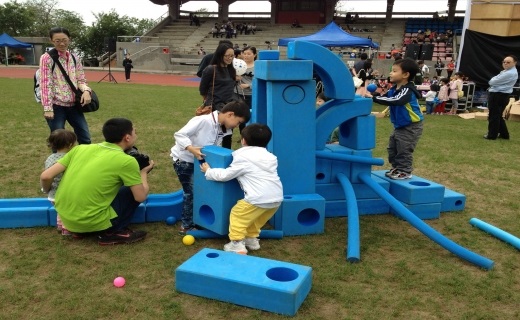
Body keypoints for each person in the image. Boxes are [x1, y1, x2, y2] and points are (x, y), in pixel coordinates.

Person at [40, 118, 155, 245]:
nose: (136, 135)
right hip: (90, 222)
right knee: (130, 190)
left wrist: (46, 190)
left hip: (66, 221)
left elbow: (46, 176)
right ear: (127, 137)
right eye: (135, 132)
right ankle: (112, 233)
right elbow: (140, 197)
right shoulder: (127, 161)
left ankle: (80, 230)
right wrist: (143, 173)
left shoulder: (80, 149)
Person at [171, 101, 251, 235]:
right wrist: (191, 148)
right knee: (191, 192)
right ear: (230, 114)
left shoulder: (223, 127)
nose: (237, 126)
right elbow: (179, 134)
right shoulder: (203, 121)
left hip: (199, 162)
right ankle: (186, 225)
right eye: (238, 122)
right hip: (185, 161)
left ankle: (198, 221)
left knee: (202, 191)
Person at [200, 123, 283, 254]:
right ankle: (251, 239)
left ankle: (237, 244)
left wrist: (209, 171)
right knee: (255, 219)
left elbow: (226, 175)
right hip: (276, 198)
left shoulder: (243, 157)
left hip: (257, 198)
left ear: (243, 140)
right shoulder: (270, 157)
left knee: (238, 214)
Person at [40, 27, 93, 145]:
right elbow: (45, 83)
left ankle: (84, 162)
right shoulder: (47, 58)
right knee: (58, 142)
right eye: (57, 41)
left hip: (74, 105)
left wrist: (86, 91)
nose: (62, 43)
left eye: (64, 40)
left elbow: (81, 79)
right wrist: (48, 108)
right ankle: (58, 163)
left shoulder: (75, 58)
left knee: (85, 138)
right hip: (56, 106)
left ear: (70, 39)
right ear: (51, 41)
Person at [372, 58, 423, 180]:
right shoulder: (393, 89)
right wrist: (374, 95)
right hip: (400, 125)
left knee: (404, 149)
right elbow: (385, 97)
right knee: (392, 148)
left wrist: (374, 99)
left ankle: (405, 171)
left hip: (411, 126)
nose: (390, 73)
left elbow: (397, 100)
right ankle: (397, 168)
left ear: (405, 75)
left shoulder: (407, 90)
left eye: (394, 71)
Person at [199, 43, 239, 149]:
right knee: (212, 135)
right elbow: (202, 89)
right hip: (214, 106)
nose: (230, 58)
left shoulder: (232, 70)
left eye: (232, 56)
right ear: (220, 55)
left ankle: (226, 155)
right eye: (227, 56)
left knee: (227, 134)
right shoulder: (210, 69)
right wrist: (209, 101)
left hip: (229, 106)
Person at [44, 129, 77, 235]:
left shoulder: (50, 158)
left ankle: (59, 225)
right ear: (70, 144)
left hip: (52, 194)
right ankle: (66, 229)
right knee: (67, 211)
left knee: (60, 210)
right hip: (65, 193)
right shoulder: (70, 158)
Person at [484, 55, 519, 140]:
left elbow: (492, 82)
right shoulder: (508, 72)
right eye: (504, 62)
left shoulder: (509, 73)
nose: (505, 64)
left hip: (497, 95)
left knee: (493, 116)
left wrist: (494, 80)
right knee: (498, 116)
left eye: (508, 62)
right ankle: (504, 134)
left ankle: (492, 135)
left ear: (515, 63)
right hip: (502, 95)